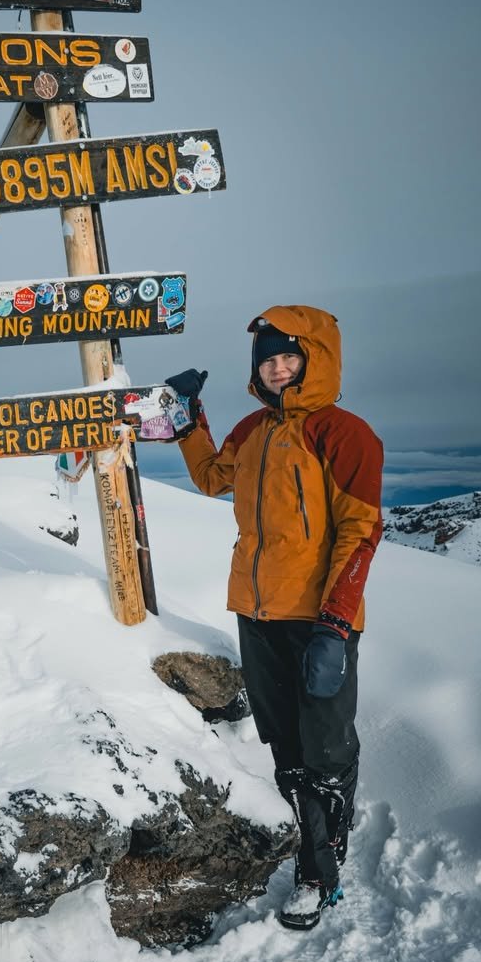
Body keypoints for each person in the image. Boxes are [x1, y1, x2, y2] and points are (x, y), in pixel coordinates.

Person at [165, 305, 383, 930]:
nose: (278, 368)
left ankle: (321, 872)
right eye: (268, 359)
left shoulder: (344, 433)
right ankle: (317, 850)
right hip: (256, 614)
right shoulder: (253, 431)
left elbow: (361, 531)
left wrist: (336, 625)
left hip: (318, 620)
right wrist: (188, 419)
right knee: (286, 749)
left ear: (315, 360)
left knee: (325, 752)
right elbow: (212, 479)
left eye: (289, 357)